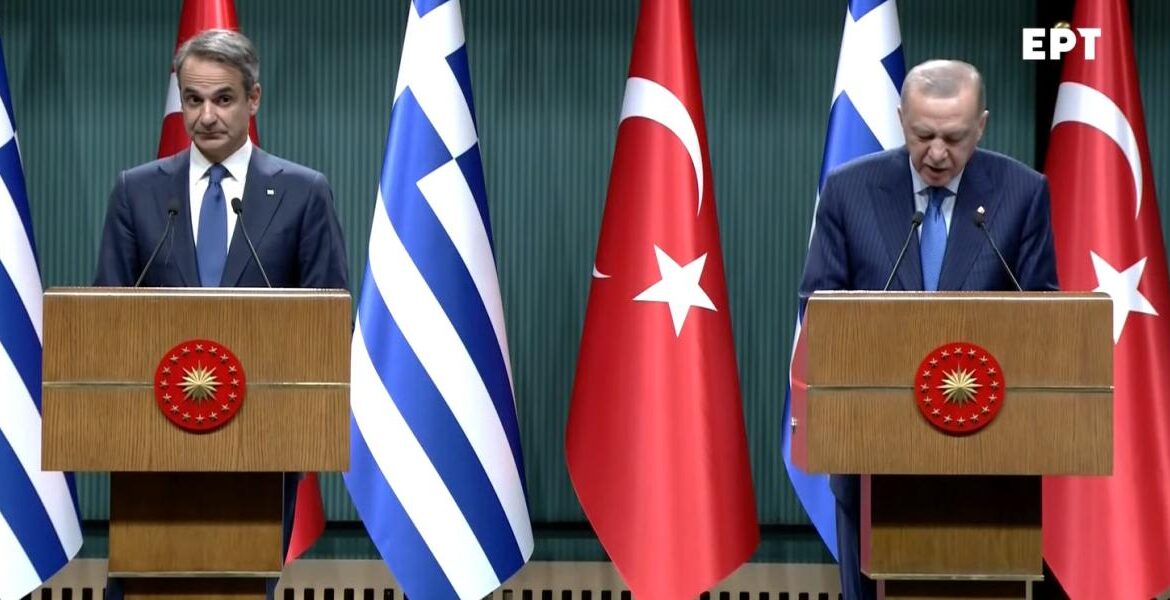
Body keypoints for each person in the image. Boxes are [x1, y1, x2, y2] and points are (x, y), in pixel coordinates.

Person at [797, 60, 1058, 600]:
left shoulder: (1021, 192)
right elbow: (818, 308)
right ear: (901, 119)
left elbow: (1045, 317)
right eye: (922, 135)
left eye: (954, 138)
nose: (937, 153)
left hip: (989, 464)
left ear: (981, 126)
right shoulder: (849, 190)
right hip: (872, 454)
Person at [95, 28, 347, 290]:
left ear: (253, 99)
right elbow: (107, 306)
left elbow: (327, 309)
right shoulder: (136, 192)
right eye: (194, 100)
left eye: (223, 100)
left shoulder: (303, 193)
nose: (206, 117)